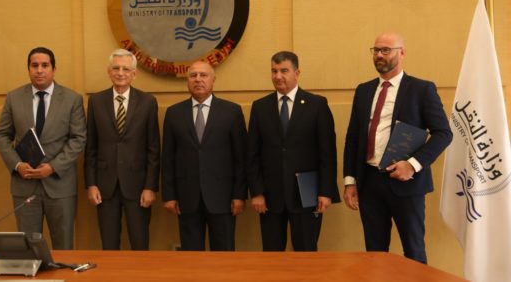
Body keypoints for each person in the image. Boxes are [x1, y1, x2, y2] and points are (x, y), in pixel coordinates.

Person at [343, 32, 452, 263]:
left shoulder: (422, 89)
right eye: (376, 50)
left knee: (413, 252)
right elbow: (353, 138)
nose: (379, 55)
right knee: (374, 253)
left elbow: (443, 134)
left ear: (402, 53)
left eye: (386, 50)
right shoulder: (363, 90)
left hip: (407, 182)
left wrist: (412, 165)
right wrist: (350, 181)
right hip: (369, 182)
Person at [0, 46, 86, 250]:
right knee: (28, 247)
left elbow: (78, 139)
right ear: (28, 69)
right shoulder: (14, 97)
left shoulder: (72, 99)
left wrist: (52, 167)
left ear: (54, 69)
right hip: (24, 184)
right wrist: (17, 165)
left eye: (45, 65)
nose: (39, 70)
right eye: (34, 65)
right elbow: (2, 135)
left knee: (64, 246)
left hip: (60, 185)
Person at [247, 51, 339, 252]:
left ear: (297, 73)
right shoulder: (260, 107)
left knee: (306, 253)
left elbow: (327, 153)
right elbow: (252, 155)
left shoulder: (317, 105)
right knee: (272, 255)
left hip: (307, 195)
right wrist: (257, 192)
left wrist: (325, 191)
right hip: (270, 197)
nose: (278, 76)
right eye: (274, 71)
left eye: (284, 71)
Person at [161, 61, 247, 251]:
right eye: (193, 76)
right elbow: (167, 158)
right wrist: (169, 195)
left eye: (203, 75)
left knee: (224, 253)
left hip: (223, 198)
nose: (198, 80)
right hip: (186, 197)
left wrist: (239, 195)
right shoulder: (174, 113)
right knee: (191, 256)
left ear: (213, 80)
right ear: (187, 81)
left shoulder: (231, 112)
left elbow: (241, 158)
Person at [84, 49, 160, 250]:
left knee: (140, 243)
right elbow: (90, 146)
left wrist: (150, 187)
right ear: (109, 72)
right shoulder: (96, 101)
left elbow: (153, 149)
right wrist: (91, 184)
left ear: (134, 74)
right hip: (104, 186)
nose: (120, 73)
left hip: (138, 186)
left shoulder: (148, 102)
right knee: (109, 245)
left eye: (126, 69)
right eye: (116, 68)